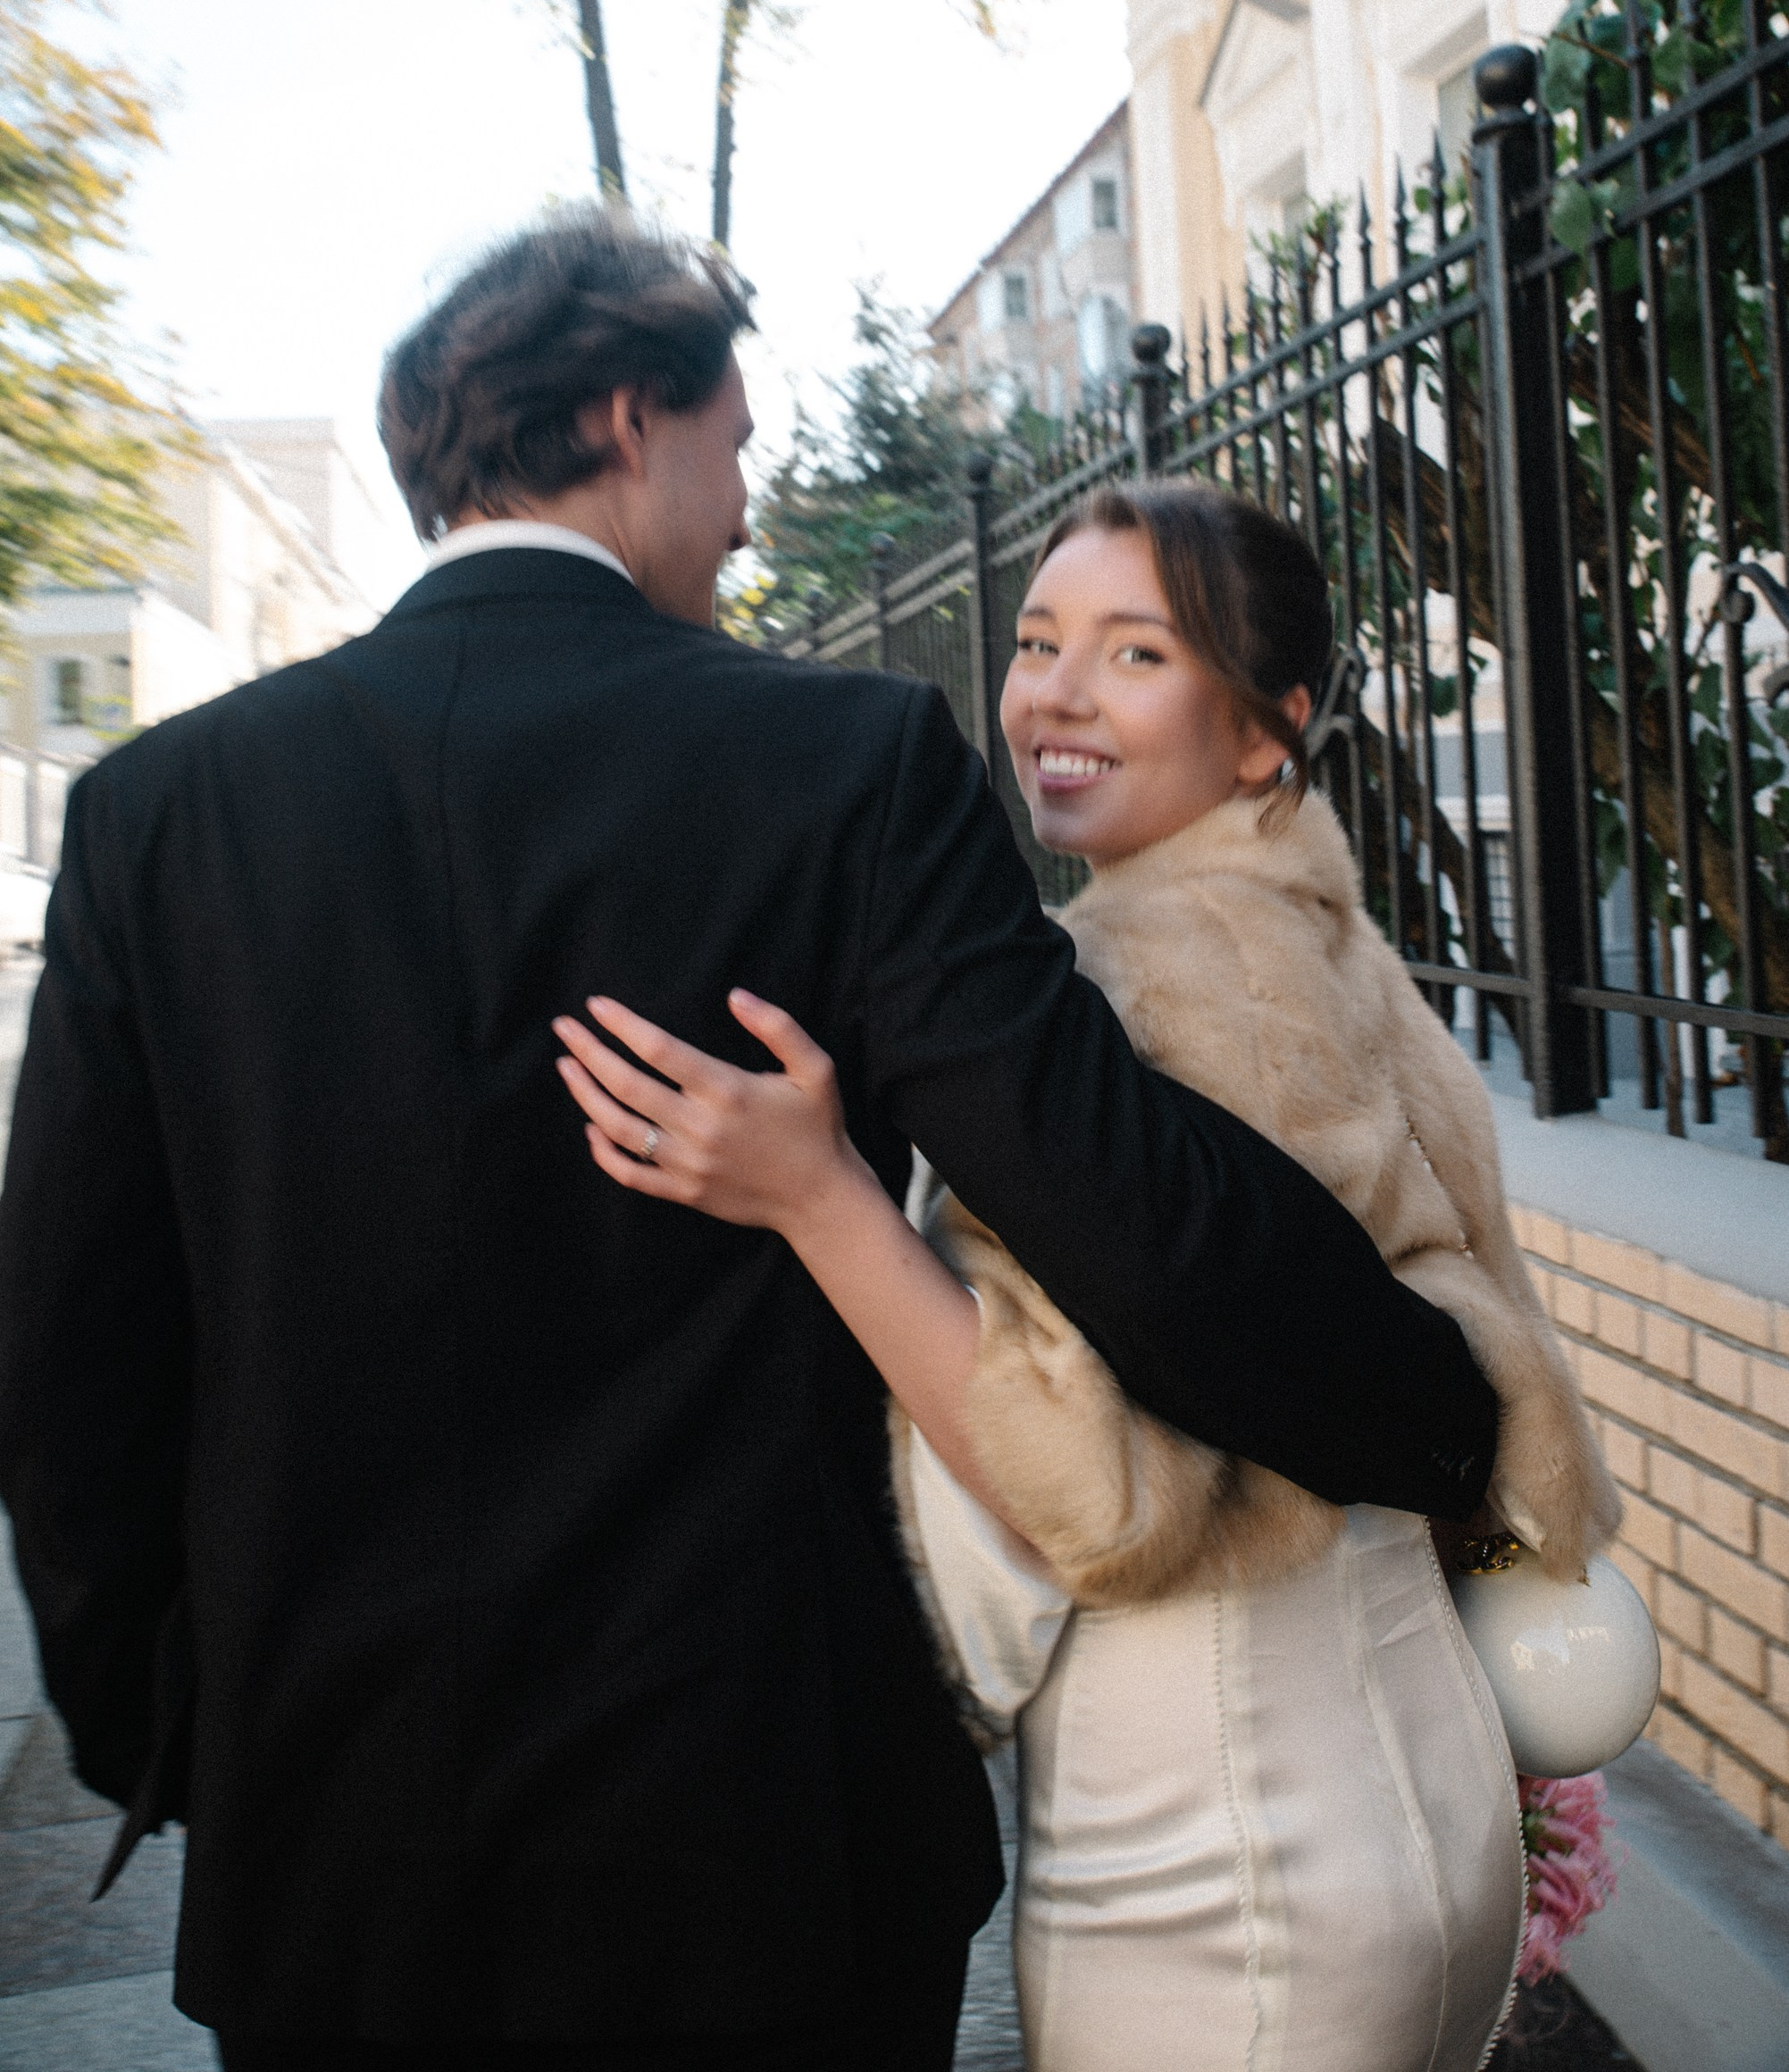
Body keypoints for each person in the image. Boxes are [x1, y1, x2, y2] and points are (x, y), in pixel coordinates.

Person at [0, 207, 1497, 2072]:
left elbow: (72, 1368)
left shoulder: (160, 818)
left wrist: (182, 1742)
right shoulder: (844, 762)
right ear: (634, 421)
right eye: (736, 448)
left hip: (342, 1847)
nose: (744, 503)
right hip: (770, 1834)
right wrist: (1436, 1409)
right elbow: (1108, 1192)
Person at [554, 478, 1620, 2072]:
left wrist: (817, 1195)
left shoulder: (1138, 977)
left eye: (1135, 655)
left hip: (1221, 1831)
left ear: (1268, 730)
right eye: (1042, 639)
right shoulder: (1314, 928)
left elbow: (1113, 1494)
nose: (1052, 690)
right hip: (1410, 1781)